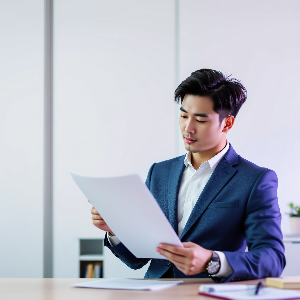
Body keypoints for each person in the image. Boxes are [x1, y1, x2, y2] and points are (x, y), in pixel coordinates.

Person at [91, 69, 285, 282]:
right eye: (183, 116)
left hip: (210, 293)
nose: (188, 128)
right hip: (154, 294)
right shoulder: (160, 172)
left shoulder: (255, 180)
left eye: (201, 120)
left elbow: (273, 259)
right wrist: (116, 230)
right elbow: (137, 260)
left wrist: (212, 261)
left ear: (227, 123)